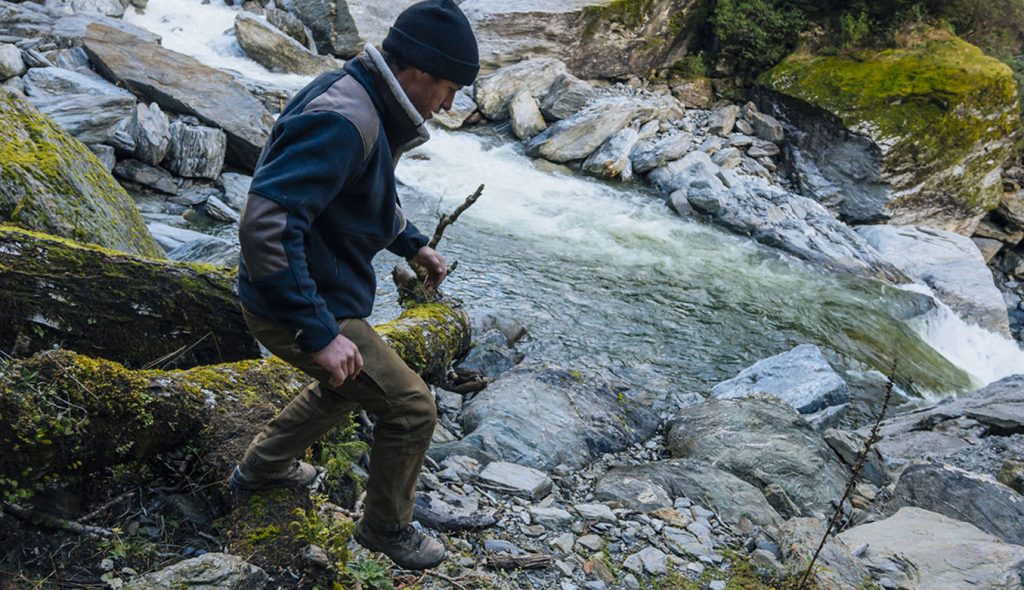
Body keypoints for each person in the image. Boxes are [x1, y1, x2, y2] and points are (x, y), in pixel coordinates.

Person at [228, 0, 479, 571]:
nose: (450, 104)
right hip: (295, 301)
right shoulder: (345, 118)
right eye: (449, 88)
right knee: (412, 408)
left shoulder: (365, 98)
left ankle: (262, 469)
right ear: (417, 72)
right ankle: (386, 528)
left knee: (349, 385)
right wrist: (317, 331)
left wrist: (412, 242)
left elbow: (360, 196)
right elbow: (265, 223)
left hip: (313, 293)